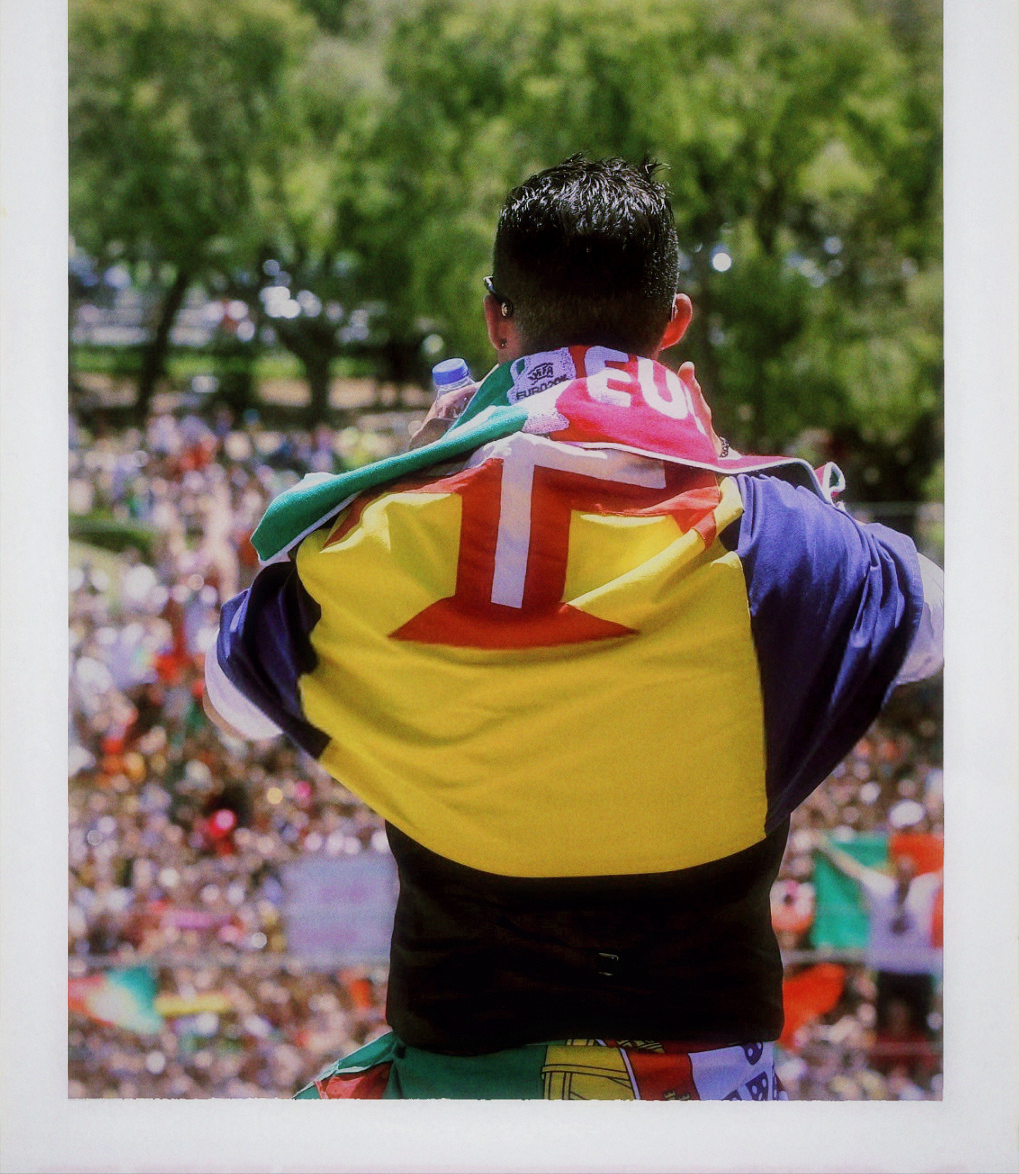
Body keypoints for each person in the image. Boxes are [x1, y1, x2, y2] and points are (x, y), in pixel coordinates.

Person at [203, 155, 944, 1100]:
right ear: (673, 323)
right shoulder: (778, 541)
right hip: (705, 1113)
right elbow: (939, 620)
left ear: (494, 320)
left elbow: (229, 698)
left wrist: (402, 477)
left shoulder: (360, 547)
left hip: (459, 1107)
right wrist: (720, 462)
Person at [815, 835, 942, 1078]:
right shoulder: (881, 888)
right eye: (900, 872)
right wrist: (826, 848)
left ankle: (920, 1075)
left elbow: (947, 873)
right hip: (887, 970)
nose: (904, 878)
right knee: (882, 1025)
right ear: (895, 873)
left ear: (914, 874)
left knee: (920, 1026)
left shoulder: (924, 888)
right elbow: (851, 870)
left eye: (908, 873)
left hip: (919, 972)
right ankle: (879, 1074)